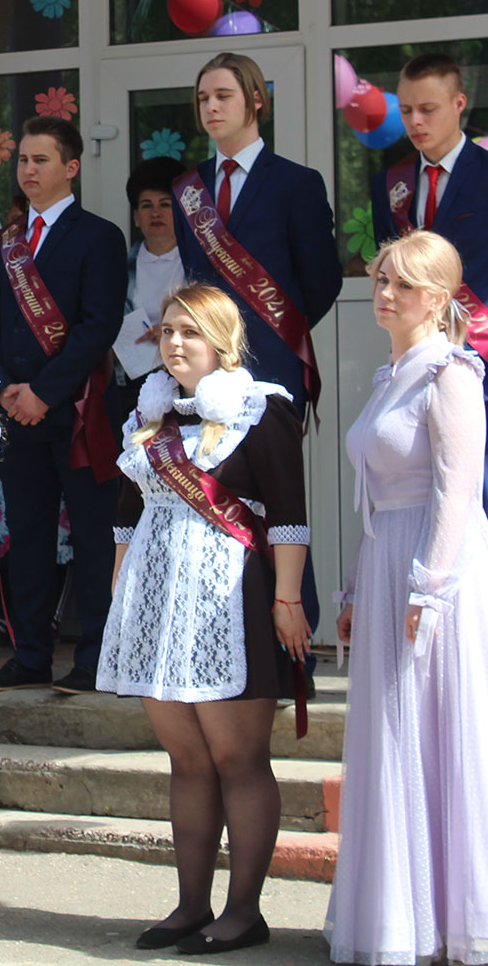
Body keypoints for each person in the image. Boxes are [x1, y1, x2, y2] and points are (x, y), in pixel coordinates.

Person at [327, 230, 488, 964]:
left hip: (439, 565)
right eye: (381, 279)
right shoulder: (390, 375)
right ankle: (407, 917)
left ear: (437, 298)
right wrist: (354, 585)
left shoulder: (452, 372)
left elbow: (458, 489)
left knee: (438, 726)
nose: (385, 293)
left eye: (403, 284)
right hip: (388, 556)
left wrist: (428, 589)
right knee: (395, 733)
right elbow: (377, 497)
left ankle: (467, 915)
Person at [101, 284, 311, 954]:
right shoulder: (149, 413)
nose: (174, 343)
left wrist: (288, 600)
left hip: (231, 598)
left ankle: (243, 912)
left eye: (189, 332)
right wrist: (121, 597)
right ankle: (190, 906)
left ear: (222, 341)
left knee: (237, 758)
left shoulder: (261, 408)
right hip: (157, 598)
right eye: (167, 331)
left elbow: (288, 514)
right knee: (187, 759)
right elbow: (126, 514)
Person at [370, 52, 488, 660]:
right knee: (417, 507)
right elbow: (394, 284)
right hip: (412, 373)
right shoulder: (392, 184)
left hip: (485, 373)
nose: (415, 122)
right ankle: (433, 649)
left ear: (459, 104)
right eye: (406, 110)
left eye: (428, 108)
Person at [171, 54, 342, 653]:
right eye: (203, 98)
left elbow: (320, 281)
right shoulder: (188, 189)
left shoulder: (296, 182)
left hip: (271, 368)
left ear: (255, 101)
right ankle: (226, 644)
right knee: (215, 501)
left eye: (223, 95)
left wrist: (274, 336)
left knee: (281, 505)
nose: (211, 107)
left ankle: (294, 651)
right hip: (207, 375)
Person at [0, 115, 127, 694]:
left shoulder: (99, 236)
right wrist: (8, 390)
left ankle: (96, 658)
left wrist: (43, 392)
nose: (29, 170)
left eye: (41, 160)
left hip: (80, 411)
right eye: (23, 160)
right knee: (28, 537)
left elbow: (97, 327)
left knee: (92, 537)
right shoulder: (1, 246)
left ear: (71, 167)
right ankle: (30, 653)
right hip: (18, 413)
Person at [108, 156, 187, 425]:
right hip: (130, 384)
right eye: (146, 205)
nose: (155, 213)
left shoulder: (199, 266)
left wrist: (168, 331)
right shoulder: (117, 266)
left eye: (165, 204)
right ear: (136, 216)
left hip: (183, 379)